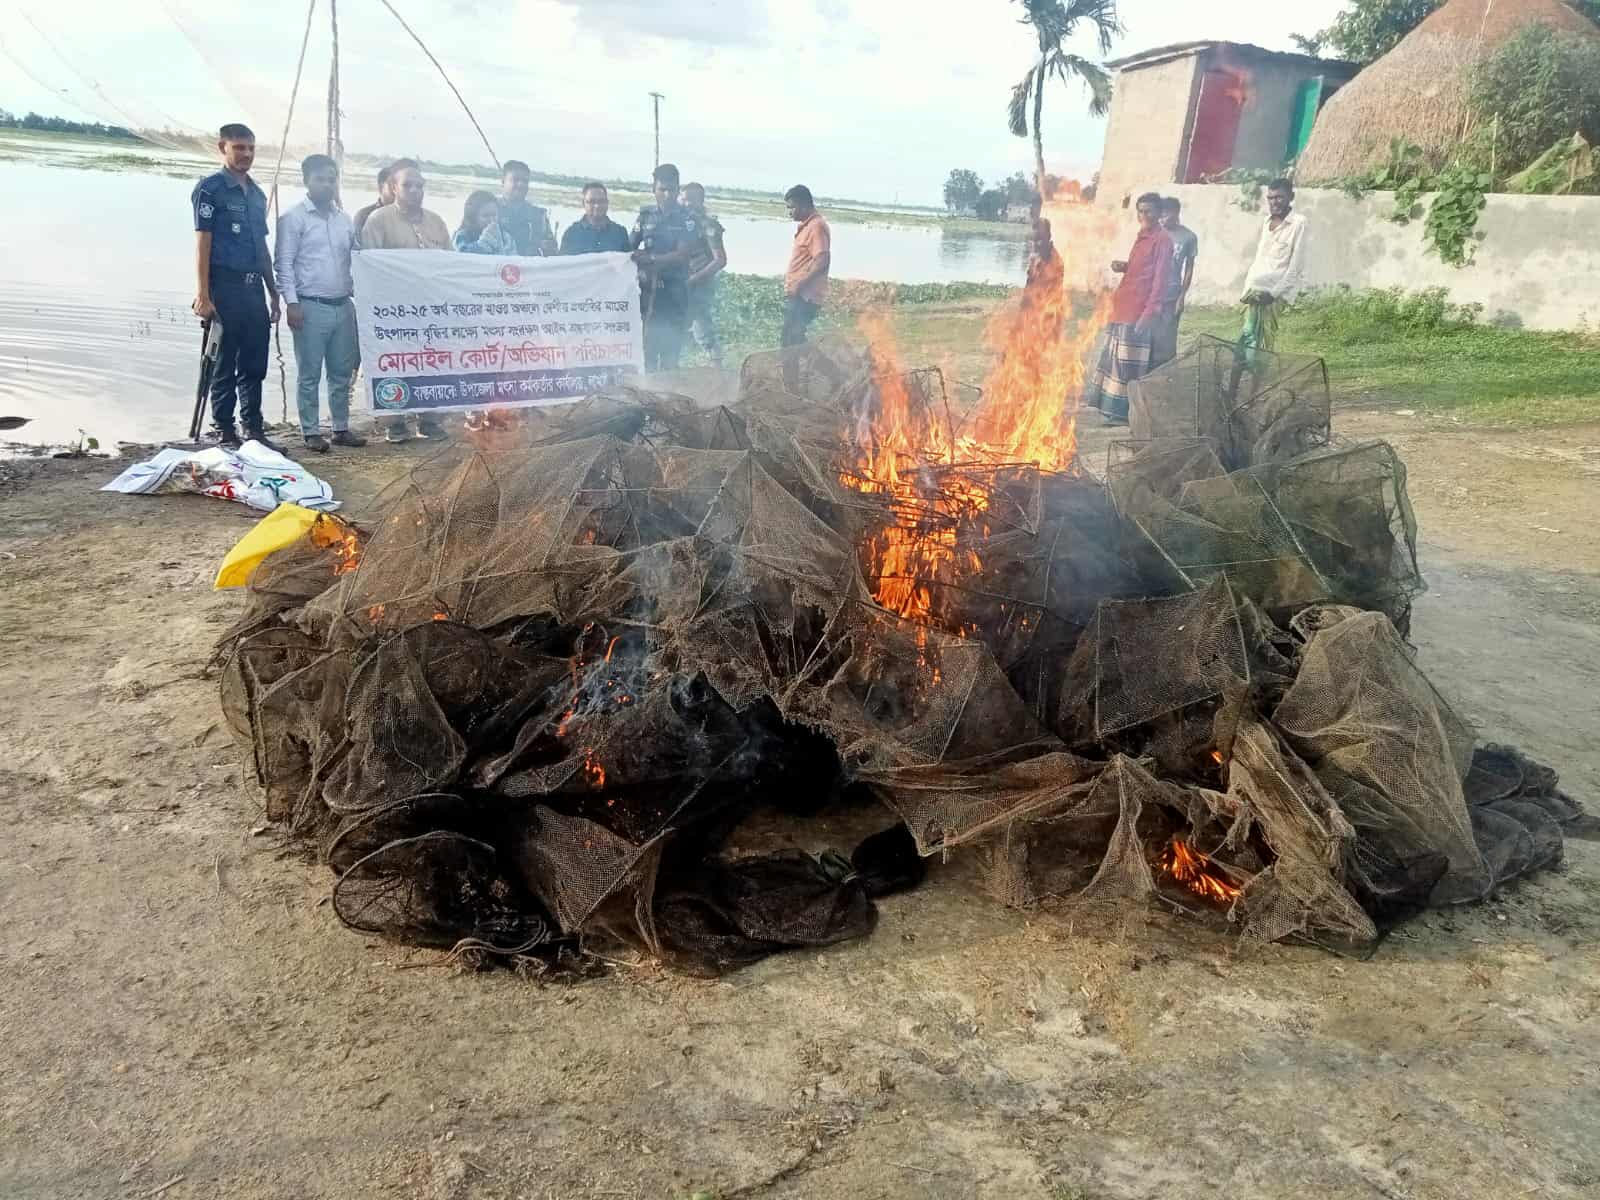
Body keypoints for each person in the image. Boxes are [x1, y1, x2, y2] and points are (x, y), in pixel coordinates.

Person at [190, 122, 281, 451]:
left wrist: (274, 293)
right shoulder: (210, 189)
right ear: (222, 148)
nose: (246, 155)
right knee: (224, 362)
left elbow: (262, 249)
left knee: (255, 362)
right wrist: (203, 294)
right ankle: (225, 430)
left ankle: (254, 429)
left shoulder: (257, 194)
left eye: (251, 149)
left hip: (254, 288)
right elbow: (203, 243)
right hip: (223, 287)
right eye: (239, 148)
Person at [274, 153, 365, 453]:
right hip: (310, 305)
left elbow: (358, 258)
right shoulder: (293, 218)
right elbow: (284, 264)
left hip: (343, 305)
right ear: (306, 181)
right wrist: (292, 302)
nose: (327, 185)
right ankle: (311, 431)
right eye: (320, 179)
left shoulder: (344, 220)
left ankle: (340, 427)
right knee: (310, 372)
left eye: (332, 179)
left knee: (342, 371)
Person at [356, 162, 449, 441]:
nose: (414, 190)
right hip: (393, 311)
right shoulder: (378, 220)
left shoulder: (436, 222)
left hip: (430, 309)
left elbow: (451, 263)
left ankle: (429, 419)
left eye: (419, 185)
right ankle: (394, 423)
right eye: (407, 185)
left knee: (430, 361)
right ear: (394, 187)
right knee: (393, 362)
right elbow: (369, 266)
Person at [1085, 191, 1172, 424]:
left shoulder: (1162, 240)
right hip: (1122, 307)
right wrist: (1124, 266)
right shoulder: (1142, 235)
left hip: (1138, 312)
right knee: (1115, 362)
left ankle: (1124, 414)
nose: (1144, 215)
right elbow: (1140, 270)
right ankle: (1110, 409)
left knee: (1129, 365)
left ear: (1160, 213)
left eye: (1149, 211)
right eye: (1140, 211)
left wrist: (1149, 314)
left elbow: (1159, 281)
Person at [630, 162, 705, 372]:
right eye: (662, 189)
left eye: (671, 189)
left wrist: (650, 259)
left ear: (677, 188)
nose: (667, 195)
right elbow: (629, 248)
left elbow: (682, 256)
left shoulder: (687, 219)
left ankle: (668, 395)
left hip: (675, 293)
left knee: (671, 352)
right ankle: (649, 395)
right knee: (648, 349)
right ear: (653, 189)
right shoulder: (645, 216)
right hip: (648, 294)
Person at [1239, 178, 1309, 356]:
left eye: (1279, 197)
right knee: (1245, 338)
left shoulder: (1298, 223)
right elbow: (1259, 259)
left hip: (1272, 294)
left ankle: (1257, 383)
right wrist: (1246, 289)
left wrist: (1274, 294)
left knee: (1263, 344)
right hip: (1253, 291)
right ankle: (1235, 384)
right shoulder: (1266, 222)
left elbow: (1295, 267)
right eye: (1270, 198)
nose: (1274, 202)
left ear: (1291, 197)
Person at [681, 182, 728, 367]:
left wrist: (693, 279)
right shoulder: (681, 223)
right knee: (677, 326)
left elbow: (720, 260)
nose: (685, 204)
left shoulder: (708, 225)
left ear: (700, 201)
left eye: (690, 200)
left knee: (702, 329)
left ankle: (718, 370)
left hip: (699, 285)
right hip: (684, 282)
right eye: (683, 199)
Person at [781, 184, 830, 348]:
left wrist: (799, 284)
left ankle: (791, 375)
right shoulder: (807, 226)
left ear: (803, 204)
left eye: (792, 207)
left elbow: (822, 260)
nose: (790, 212)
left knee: (790, 341)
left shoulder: (816, 226)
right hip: (799, 294)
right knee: (795, 341)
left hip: (805, 296)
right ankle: (833, 372)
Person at [1152, 196, 1198, 366]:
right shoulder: (1154, 233)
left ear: (1176, 213)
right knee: (1147, 337)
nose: (1162, 219)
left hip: (1171, 296)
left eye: (1166, 215)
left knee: (1167, 340)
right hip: (1150, 295)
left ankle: (1166, 374)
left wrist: (1181, 297)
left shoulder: (1189, 237)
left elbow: (1189, 268)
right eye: (1160, 215)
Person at [497, 160, 556, 256]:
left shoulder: (539, 215)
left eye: (525, 181)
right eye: (515, 180)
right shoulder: (489, 210)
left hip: (530, 268)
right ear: (503, 182)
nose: (521, 184)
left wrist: (548, 247)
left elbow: (553, 253)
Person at [559, 182, 631, 255]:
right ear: (583, 204)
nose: (597, 206)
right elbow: (563, 264)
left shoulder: (620, 233)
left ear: (607, 203)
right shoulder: (571, 234)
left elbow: (628, 262)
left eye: (601, 201)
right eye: (591, 202)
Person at [453, 190, 518, 254]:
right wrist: (482, 244)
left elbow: (513, 258)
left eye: (494, 215)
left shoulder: (505, 237)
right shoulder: (461, 236)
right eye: (485, 216)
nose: (491, 220)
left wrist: (500, 246)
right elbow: (460, 255)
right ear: (473, 217)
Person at [353, 162, 400, 240]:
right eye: (393, 185)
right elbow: (358, 249)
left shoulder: (411, 217)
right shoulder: (363, 216)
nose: (397, 190)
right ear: (381, 187)